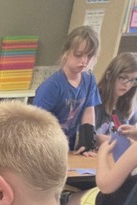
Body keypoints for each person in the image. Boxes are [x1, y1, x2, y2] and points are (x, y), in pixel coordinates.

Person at [34, 26, 101, 155]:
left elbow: (88, 111)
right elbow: (36, 121)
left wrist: (87, 143)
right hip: (46, 146)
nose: (84, 61)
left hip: (67, 146)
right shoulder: (52, 86)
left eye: (89, 56)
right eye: (78, 55)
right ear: (66, 52)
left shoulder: (89, 79)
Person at [93, 52, 137, 147]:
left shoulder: (131, 105)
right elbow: (91, 137)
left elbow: (135, 136)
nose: (127, 84)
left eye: (132, 80)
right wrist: (123, 142)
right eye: (123, 77)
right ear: (109, 75)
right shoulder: (94, 99)